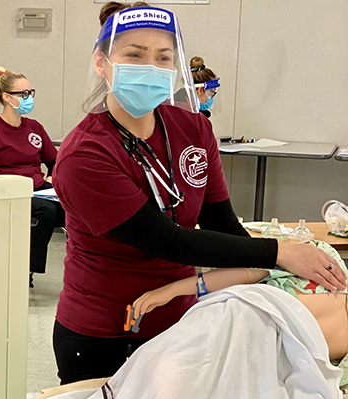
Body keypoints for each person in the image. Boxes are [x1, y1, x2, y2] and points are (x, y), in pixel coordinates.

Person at [51, 1, 346, 385]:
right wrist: (280, 253)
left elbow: (222, 225)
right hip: (103, 331)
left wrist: (261, 274)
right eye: (134, 56)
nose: (150, 68)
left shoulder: (192, 129)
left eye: (163, 57)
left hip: (183, 324)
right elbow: (169, 241)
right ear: (102, 63)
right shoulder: (85, 155)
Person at [88, 240, 348, 398]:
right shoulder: (326, 264)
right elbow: (246, 274)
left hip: (262, 360)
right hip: (235, 317)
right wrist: (172, 290)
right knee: (166, 372)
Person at [0, 66, 65, 288]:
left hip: (37, 190)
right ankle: (24, 270)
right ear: (7, 97)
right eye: (24, 94)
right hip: (7, 193)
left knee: (72, 208)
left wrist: (53, 178)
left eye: (31, 92)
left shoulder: (34, 128)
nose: (29, 98)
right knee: (45, 212)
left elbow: (54, 162)